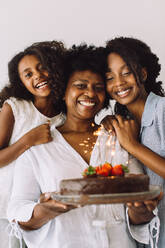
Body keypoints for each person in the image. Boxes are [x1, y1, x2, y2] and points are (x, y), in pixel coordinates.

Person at [7, 44, 159, 248]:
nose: (90, 94)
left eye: (98, 88)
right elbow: (17, 208)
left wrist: (140, 212)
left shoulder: (117, 138)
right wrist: (45, 211)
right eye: (80, 85)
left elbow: (137, 195)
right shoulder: (39, 145)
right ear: (62, 92)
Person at [0, 41, 66, 247]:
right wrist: (28, 140)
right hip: (6, 206)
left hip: (43, 210)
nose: (37, 75)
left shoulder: (65, 117)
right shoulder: (15, 108)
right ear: (21, 82)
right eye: (28, 74)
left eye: (42, 67)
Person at [102, 36, 165, 247]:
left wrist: (133, 146)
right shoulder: (124, 125)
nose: (118, 83)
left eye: (126, 73)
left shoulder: (162, 110)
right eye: (110, 77)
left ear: (143, 73)